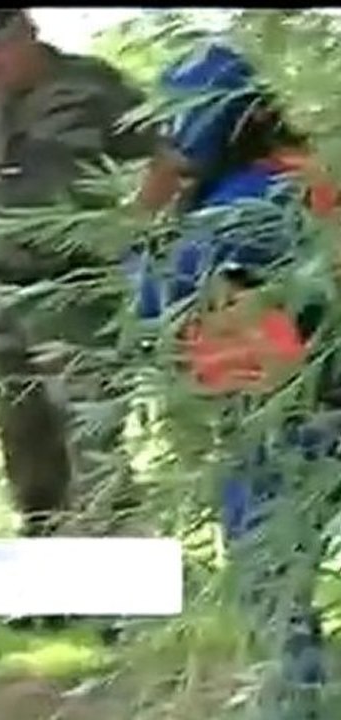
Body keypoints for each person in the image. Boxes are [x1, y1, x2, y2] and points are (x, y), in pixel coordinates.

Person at [133, 41, 341, 718]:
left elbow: (154, 307)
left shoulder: (232, 211)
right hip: (321, 395)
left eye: (178, 124)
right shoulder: (308, 176)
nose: (172, 141)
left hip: (282, 423)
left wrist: (147, 215)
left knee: (273, 595)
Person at [0, 8, 158, 631]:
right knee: (26, 448)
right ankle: (48, 592)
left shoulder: (93, 86)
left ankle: (127, 600)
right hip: (2, 295)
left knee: (95, 445)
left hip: (75, 296)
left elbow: (169, 149)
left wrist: (131, 227)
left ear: (28, 34)